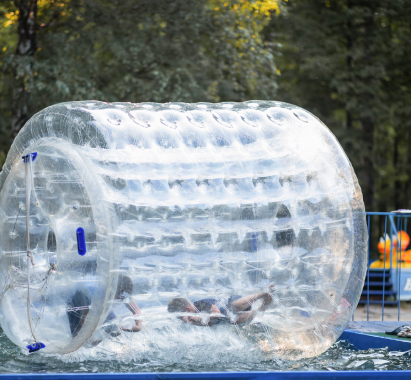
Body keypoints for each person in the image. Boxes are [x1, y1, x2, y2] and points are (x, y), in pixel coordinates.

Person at [66, 275, 142, 338]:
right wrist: (88, 338)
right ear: (113, 291)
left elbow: (136, 311)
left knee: (114, 329)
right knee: (77, 336)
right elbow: (85, 316)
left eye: (123, 298)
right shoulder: (98, 295)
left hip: (92, 300)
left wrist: (138, 327)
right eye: (119, 297)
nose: (120, 300)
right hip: (76, 302)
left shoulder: (123, 293)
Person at [167, 284, 275, 326]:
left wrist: (196, 318)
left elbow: (217, 314)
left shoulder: (200, 304)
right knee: (234, 321)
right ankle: (260, 310)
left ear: (187, 309)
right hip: (232, 316)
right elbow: (209, 325)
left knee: (235, 306)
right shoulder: (193, 319)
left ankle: (261, 293)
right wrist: (193, 320)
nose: (183, 320)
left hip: (233, 302)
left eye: (181, 317)